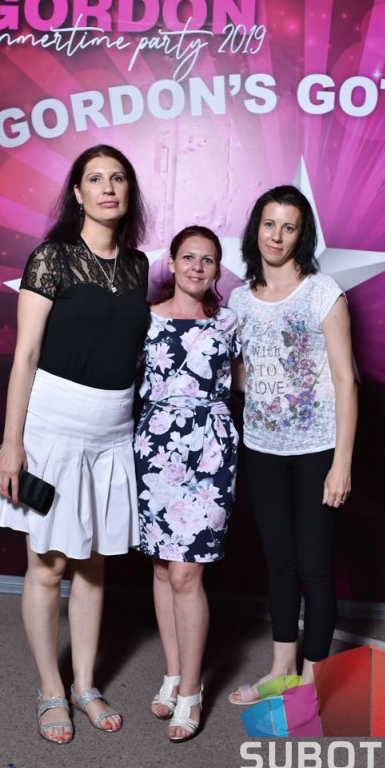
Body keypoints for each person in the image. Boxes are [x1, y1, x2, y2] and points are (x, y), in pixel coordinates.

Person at [0, 144, 149, 744]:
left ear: (128, 192)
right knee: (48, 564)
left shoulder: (137, 266)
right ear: (77, 193)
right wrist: (12, 444)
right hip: (52, 425)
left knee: (94, 562)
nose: (108, 187)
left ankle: (85, 684)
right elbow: (25, 355)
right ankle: (50, 689)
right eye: (95, 178)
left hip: (113, 429)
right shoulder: (50, 257)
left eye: (118, 178)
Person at [227, 185, 357, 704]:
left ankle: (312, 682)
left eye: (288, 227)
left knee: (313, 568)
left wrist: (342, 463)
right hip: (262, 449)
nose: (276, 236)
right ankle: (281, 670)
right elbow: (244, 373)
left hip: (317, 450)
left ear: (302, 235)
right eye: (269, 224)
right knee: (279, 564)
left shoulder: (323, 293)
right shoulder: (239, 300)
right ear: (255, 229)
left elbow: (346, 380)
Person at [134, 225, 239, 741]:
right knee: (161, 567)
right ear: (172, 263)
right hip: (155, 451)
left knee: (185, 574)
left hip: (210, 451)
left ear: (217, 270)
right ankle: (173, 675)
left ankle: (193, 691)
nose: (197, 267)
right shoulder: (145, 319)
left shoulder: (228, 322)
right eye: (189, 257)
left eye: (208, 259)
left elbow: (250, 383)